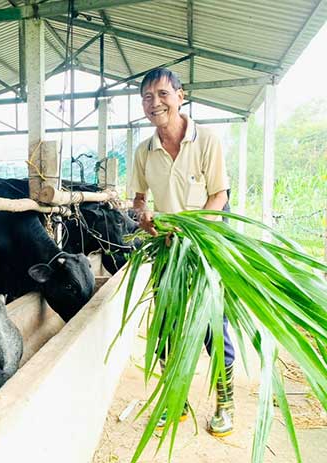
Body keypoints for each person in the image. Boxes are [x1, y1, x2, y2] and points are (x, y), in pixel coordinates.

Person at [129, 68, 235, 437]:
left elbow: (219, 194)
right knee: (168, 324)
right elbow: (139, 199)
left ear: (180, 96)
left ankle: (225, 402)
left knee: (211, 325)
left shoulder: (206, 140)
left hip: (204, 250)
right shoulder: (144, 150)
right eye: (146, 97)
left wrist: (196, 230)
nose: (154, 103)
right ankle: (177, 401)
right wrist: (144, 217)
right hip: (167, 251)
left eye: (162, 94)